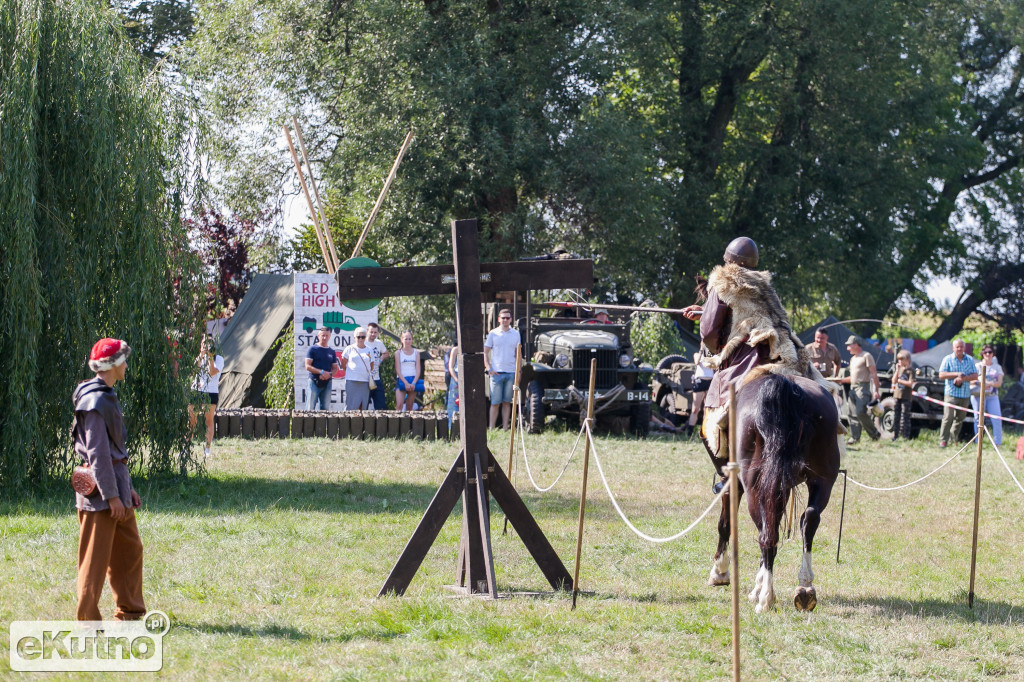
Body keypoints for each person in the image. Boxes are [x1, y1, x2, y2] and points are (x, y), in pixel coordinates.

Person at [682, 237, 817, 477]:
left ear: (728, 260)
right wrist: (704, 311)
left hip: (749, 358)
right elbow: (752, 314)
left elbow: (710, 331)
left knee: (709, 422)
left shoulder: (723, 282)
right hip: (784, 353)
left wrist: (711, 335)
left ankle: (725, 477)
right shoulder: (765, 286)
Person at [73, 338, 145, 622]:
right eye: (123, 360)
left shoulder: (106, 394)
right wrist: (112, 496)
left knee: (130, 550)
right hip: (101, 494)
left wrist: (126, 488)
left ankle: (129, 612)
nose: (126, 365)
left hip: (116, 485)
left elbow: (114, 452)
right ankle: (88, 623)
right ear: (113, 365)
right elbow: (98, 454)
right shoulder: (94, 400)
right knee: (94, 560)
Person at [835, 336, 881, 444]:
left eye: (849, 345)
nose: (847, 348)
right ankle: (855, 438)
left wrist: (876, 391)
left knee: (861, 412)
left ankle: (874, 434)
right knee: (851, 414)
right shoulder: (853, 359)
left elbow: (874, 374)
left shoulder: (866, 356)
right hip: (852, 387)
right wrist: (840, 380)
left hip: (863, 387)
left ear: (856, 345)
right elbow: (853, 377)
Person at [484, 308, 521, 429]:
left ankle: (506, 428)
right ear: (499, 319)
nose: (505, 320)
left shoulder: (515, 334)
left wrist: (518, 371)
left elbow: (518, 354)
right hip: (497, 373)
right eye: (503, 318)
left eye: (508, 318)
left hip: (511, 372)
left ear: (511, 319)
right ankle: (491, 427)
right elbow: (485, 352)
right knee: (495, 403)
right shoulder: (493, 333)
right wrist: (489, 368)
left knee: (507, 402)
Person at [937, 338, 978, 447]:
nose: (959, 349)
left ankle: (953, 439)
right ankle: (943, 440)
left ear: (964, 348)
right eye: (957, 347)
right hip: (951, 393)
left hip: (965, 394)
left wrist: (964, 378)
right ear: (953, 348)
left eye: (961, 346)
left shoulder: (969, 359)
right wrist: (956, 374)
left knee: (959, 419)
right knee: (948, 417)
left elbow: (975, 375)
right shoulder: (947, 359)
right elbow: (941, 375)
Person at [188, 335, 223, 456]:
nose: (206, 346)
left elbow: (212, 372)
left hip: (211, 392)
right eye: (204, 343)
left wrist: (210, 358)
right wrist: (201, 356)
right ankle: (186, 448)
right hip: (197, 390)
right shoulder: (199, 357)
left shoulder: (219, 359)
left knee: (209, 420)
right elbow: (193, 371)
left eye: (208, 344)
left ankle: (207, 449)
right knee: (191, 420)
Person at [971, 343, 1003, 445]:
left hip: (992, 396)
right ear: (982, 353)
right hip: (978, 395)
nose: (988, 354)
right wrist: (980, 383)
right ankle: (977, 442)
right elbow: (970, 381)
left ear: (993, 354)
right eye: (986, 352)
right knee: (978, 419)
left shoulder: (997, 367)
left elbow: (999, 383)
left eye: (990, 352)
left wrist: (989, 384)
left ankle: (997, 443)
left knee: (996, 419)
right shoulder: (977, 366)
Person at [305, 326, 341, 410]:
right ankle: (309, 423)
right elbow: (307, 366)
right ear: (318, 336)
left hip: (327, 382)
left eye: (326, 336)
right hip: (314, 381)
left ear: (329, 336)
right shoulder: (312, 349)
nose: (324, 337)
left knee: (325, 409)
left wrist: (329, 375)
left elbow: (335, 368)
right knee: (310, 408)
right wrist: (321, 372)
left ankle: (322, 424)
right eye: (322, 335)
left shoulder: (331, 351)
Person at [341, 326, 374, 410]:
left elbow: (371, 366)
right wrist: (352, 372)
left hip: (365, 381)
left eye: (363, 337)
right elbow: (343, 364)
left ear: (365, 338)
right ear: (354, 337)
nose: (360, 339)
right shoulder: (349, 349)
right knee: (350, 405)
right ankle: (347, 422)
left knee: (363, 405)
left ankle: (360, 423)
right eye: (358, 337)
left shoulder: (369, 350)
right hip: (352, 380)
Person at [394, 330, 422, 412]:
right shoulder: (398, 353)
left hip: (413, 380)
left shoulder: (416, 353)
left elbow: (418, 369)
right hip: (401, 380)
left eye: (410, 339)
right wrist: (405, 383)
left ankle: (407, 424)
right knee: (399, 406)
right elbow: (398, 369)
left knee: (409, 406)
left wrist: (413, 383)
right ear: (401, 340)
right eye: (406, 339)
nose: (408, 341)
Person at [365, 322, 390, 410]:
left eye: (375, 332)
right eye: (371, 332)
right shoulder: (363, 342)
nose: (373, 334)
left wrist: (380, 360)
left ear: (378, 333)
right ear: (367, 331)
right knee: (363, 408)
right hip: (365, 379)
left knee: (381, 407)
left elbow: (386, 353)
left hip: (376, 379)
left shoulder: (379, 343)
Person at [891, 349, 914, 441]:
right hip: (897, 395)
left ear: (907, 360)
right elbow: (893, 380)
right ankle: (895, 435)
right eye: (899, 360)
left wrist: (900, 381)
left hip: (906, 396)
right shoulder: (899, 369)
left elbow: (910, 384)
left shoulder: (910, 371)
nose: (900, 362)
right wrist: (897, 370)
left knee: (905, 417)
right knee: (896, 416)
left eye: (902, 359)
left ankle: (905, 436)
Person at [446, 344, 460, 428]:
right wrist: (456, 380)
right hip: (456, 379)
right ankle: (451, 426)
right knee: (454, 403)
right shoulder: (455, 349)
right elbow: (451, 367)